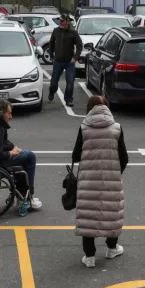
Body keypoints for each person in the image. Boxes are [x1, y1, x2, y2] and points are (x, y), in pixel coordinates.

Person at [72, 95, 128, 268]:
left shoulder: (84, 128)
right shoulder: (117, 128)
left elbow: (75, 155)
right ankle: (111, 249)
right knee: (111, 212)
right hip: (111, 180)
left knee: (88, 214)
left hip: (88, 180)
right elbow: (124, 157)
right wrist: (115, 172)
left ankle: (89, 257)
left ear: (89, 109)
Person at [48, 14, 83, 107]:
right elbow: (51, 43)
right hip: (58, 60)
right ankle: (52, 91)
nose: (61, 22)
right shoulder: (56, 31)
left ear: (67, 22)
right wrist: (51, 55)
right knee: (54, 80)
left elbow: (80, 45)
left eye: (62, 21)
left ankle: (68, 99)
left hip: (69, 61)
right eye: (60, 21)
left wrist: (75, 57)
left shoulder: (73, 33)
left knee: (70, 81)